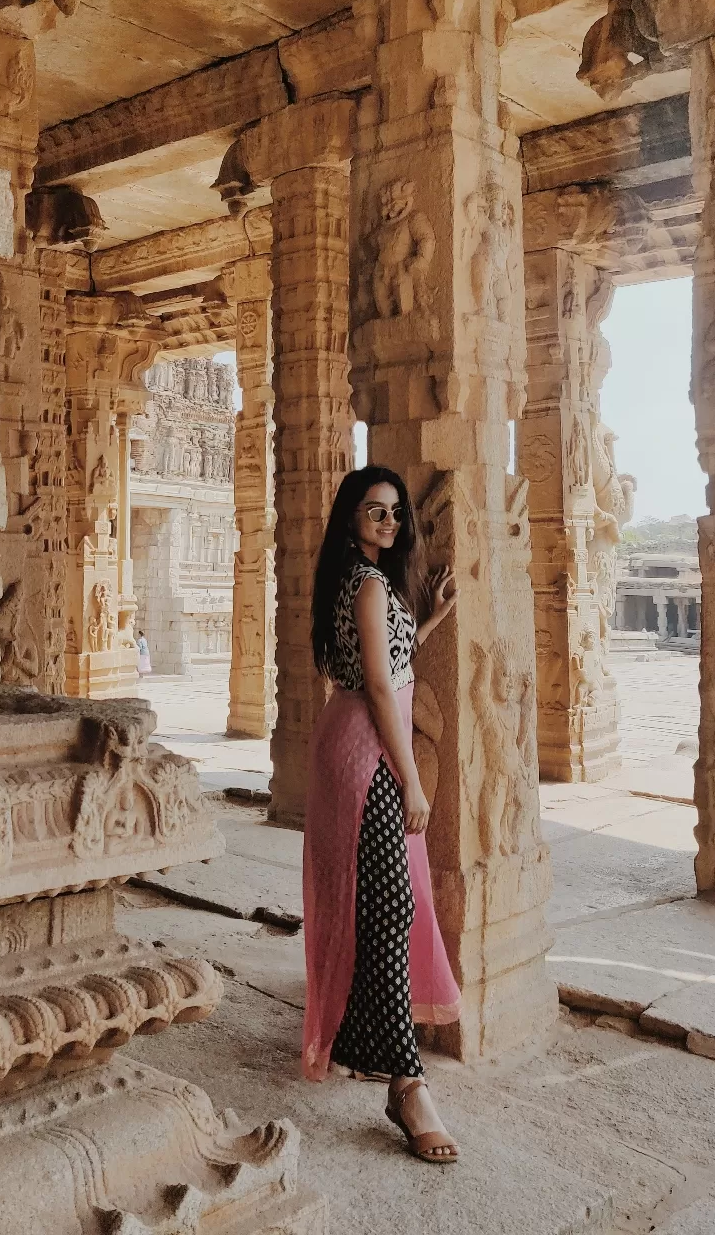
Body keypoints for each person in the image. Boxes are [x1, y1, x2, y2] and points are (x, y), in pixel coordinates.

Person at [302, 465, 461, 1164]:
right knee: (393, 903)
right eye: (375, 512)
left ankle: (375, 1049)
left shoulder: (367, 584)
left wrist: (426, 621)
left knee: (380, 906)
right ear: (351, 518)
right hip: (368, 755)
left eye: (396, 513)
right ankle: (407, 1083)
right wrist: (412, 780)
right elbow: (374, 683)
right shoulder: (367, 585)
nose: (389, 523)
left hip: (358, 744)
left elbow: (387, 661)